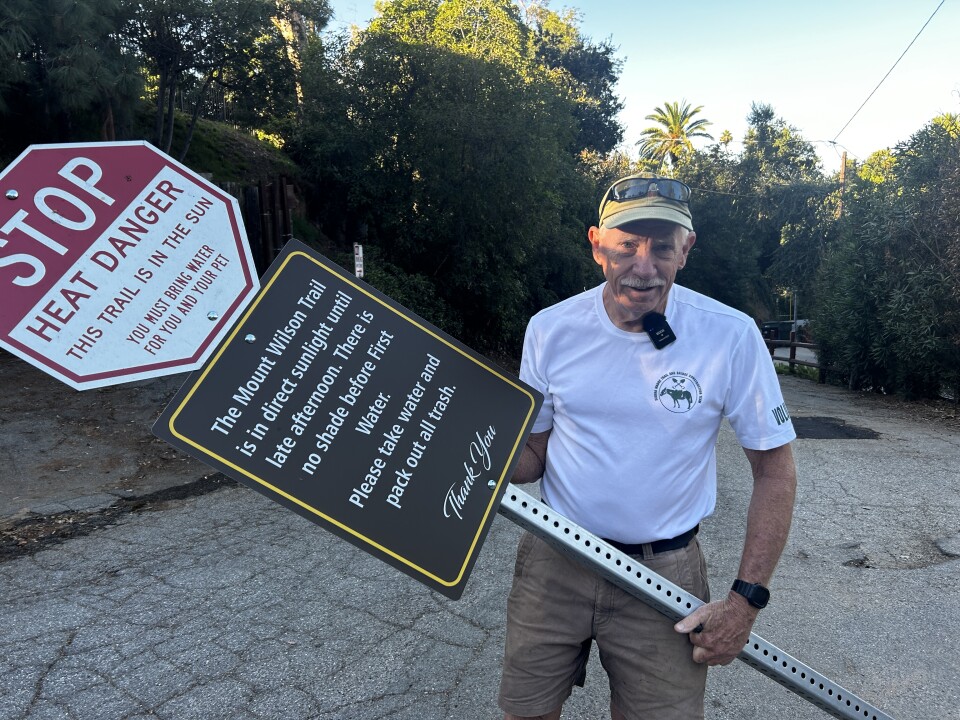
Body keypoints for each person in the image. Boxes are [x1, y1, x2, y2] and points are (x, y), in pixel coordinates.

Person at [498, 175, 797, 720]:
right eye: (626, 245)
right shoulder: (550, 330)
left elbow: (775, 471)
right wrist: (473, 453)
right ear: (596, 245)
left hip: (666, 576)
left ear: (686, 249)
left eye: (662, 246)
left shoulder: (729, 335)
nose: (643, 264)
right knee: (526, 712)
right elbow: (533, 457)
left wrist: (744, 602)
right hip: (555, 559)